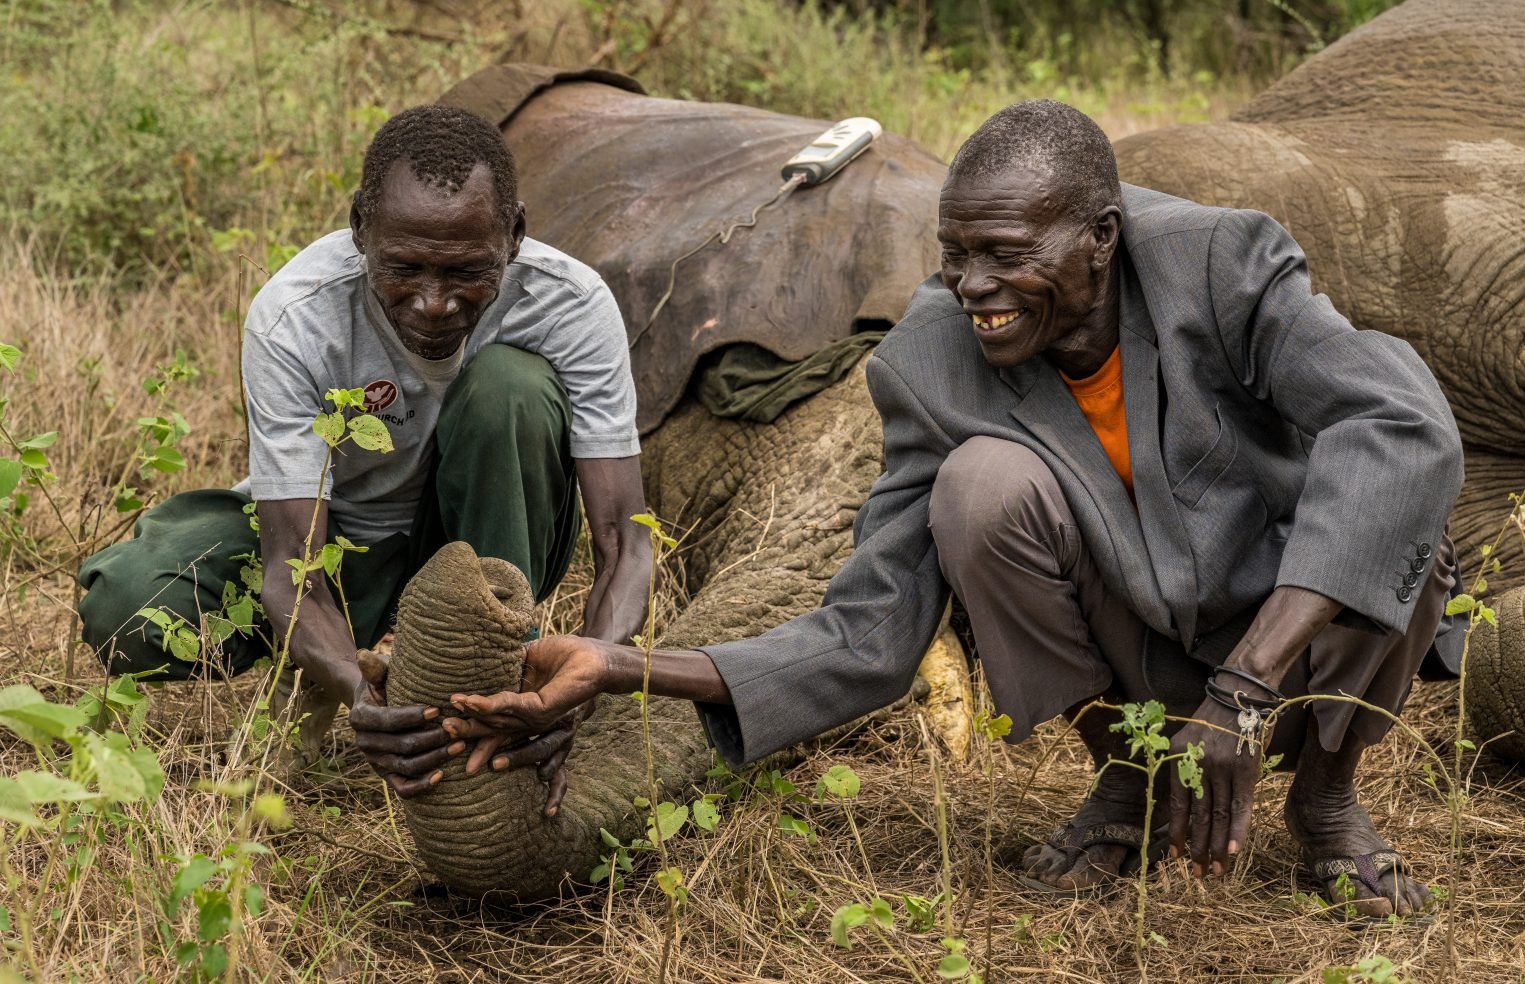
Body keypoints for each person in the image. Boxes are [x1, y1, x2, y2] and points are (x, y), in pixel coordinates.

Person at [406, 100, 1463, 919]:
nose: (972, 284)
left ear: (1101, 236)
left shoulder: (1222, 266)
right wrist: (622, 666)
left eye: (1007, 253)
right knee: (979, 490)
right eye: (956, 252)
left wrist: (1243, 686)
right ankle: (1128, 785)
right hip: (1140, 646)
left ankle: (1326, 798)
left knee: (1392, 484)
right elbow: (866, 632)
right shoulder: (928, 362)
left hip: (1287, 634)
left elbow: (1405, 425)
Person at [77, 105, 651, 814]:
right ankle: (333, 664)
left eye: (469, 272)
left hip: (482, 540)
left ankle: (500, 669)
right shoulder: (297, 315)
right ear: (359, 229)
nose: (436, 303)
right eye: (404, 267)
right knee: (126, 607)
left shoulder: (571, 304)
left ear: (515, 235)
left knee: (512, 388)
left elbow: (627, 539)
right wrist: (358, 692)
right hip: (338, 546)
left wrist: (584, 677)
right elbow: (292, 564)